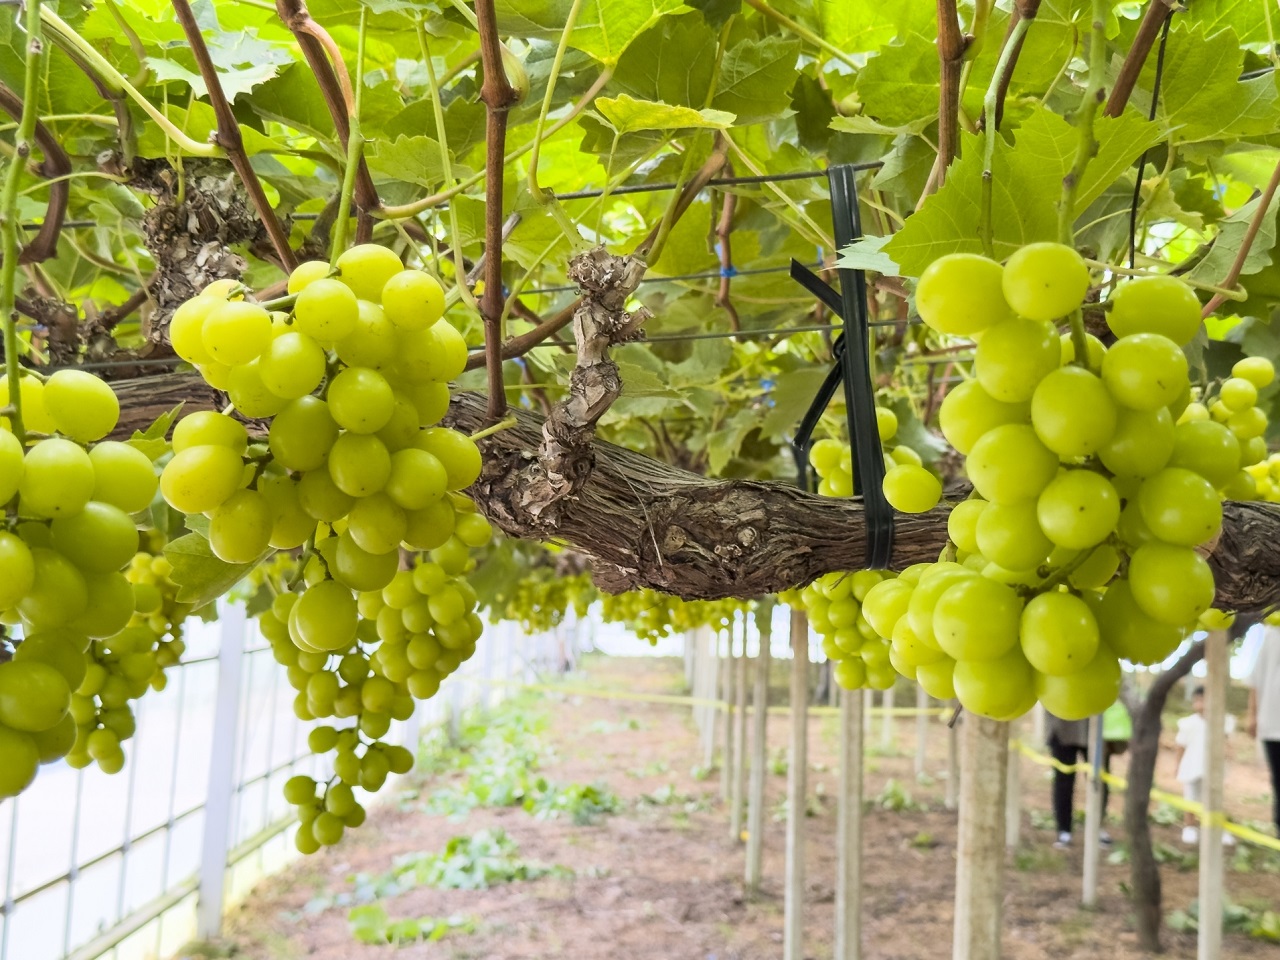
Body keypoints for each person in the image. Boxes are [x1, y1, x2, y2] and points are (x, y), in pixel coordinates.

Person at [1046, 711, 1115, 848]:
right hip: (1062, 728)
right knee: (1063, 782)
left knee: (1099, 781)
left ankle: (1097, 826)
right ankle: (1064, 829)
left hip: (1095, 729)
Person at [1247, 625, 1280, 837]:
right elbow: (1255, 679)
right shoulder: (1273, 632)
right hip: (1273, 724)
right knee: (1278, 780)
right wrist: (1252, 714)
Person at [1175, 686, 1207, 845]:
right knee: (1190, 798)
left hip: (1210, 770)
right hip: (1191, 767)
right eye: (1197, 700)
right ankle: (1189, 827)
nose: (1199, 704)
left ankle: (1211, 827)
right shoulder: (1188, 723)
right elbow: (1180, 746)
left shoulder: (1221, 722)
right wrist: (1178, 765)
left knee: (1210, 798)